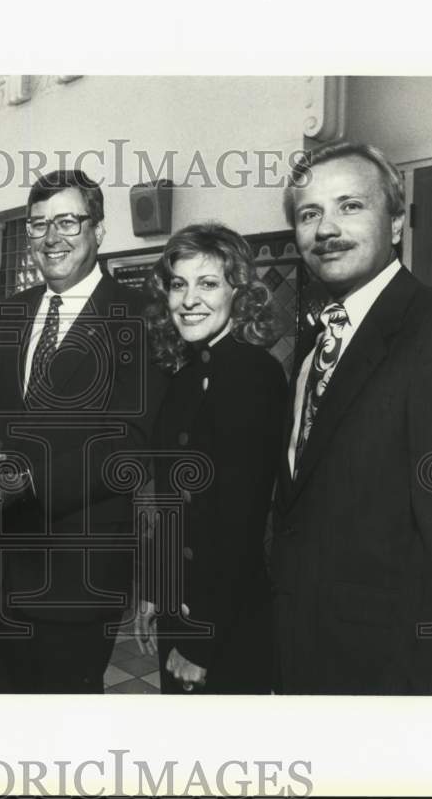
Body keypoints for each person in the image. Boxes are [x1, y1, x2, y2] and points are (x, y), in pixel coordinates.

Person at [271, 140, 432, 694]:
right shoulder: (314, 346)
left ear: (396, 223)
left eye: (350, 206)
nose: (326, 228)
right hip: (306, 663)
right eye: (310, 213)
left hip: (393, 683)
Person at [0, 169, 168, 693]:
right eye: (38, 224)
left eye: (67, 221)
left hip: (80, 573)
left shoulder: (139, 316)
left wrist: (30, 481)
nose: (51, 237)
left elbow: (132, 442)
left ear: (100, 230)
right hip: (1, 565)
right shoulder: (9, 315)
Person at [134, 223, 287, 694]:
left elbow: (240, 524)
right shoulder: (183, 376)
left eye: (208, 283)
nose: (189, 300)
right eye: (179, 285)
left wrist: (202, 640)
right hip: (181, 604)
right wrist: (156, 590)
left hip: (224, 620)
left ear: (238, 294)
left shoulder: (254, 374)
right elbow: (172, 506)